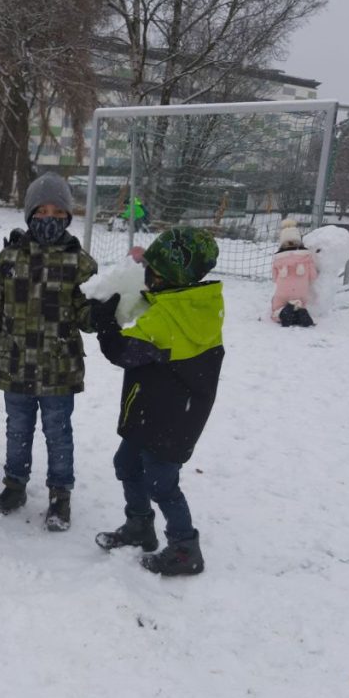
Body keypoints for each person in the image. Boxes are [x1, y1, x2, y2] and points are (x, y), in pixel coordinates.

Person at [90, 226, 224, 576]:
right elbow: (166, 308)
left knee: (161, 483)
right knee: (127, 464)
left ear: (168, 278)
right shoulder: (196, 301)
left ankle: (185, 547)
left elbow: (121, 351)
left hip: (171, 419)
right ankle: (139, 526)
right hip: (157, 408)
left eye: (152, 271)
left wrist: (106, 322)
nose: (146, 275)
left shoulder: (165, 322)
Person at [0, 172, 98, 532]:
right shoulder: (9, 260)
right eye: (41, 211)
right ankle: (14, 485)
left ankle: (60, 495)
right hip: (15, 366)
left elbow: (86, 316)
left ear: (68, 216)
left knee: (58, 432)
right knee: (17, 430)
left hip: (59, 368)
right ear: (30, 215)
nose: (49, 218)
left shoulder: (79, 264)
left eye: (57, 211)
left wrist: (103, 312)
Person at [271, 218, 317, 327]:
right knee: (301, 302)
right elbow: (313, 276)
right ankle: (299, 311)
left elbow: (274, 277)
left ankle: (282, 313)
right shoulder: (307, 257)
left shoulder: (278, 259)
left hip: (283, 292)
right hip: (302, 291)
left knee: (276, 307)